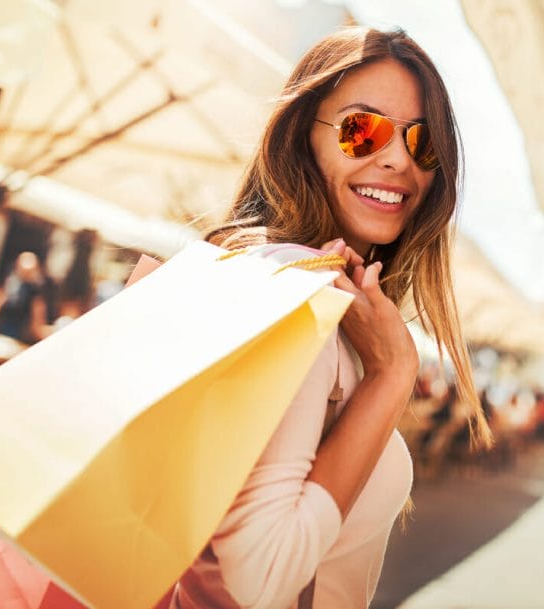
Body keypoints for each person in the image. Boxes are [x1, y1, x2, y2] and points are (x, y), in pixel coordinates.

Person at [174, 26, 492, 609]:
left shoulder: (312, 296)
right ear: (303, 140)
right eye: (360, 129)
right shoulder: (294, 292)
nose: (397, 159)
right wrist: (392, 376)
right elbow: (263, 578)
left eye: (423, 144)